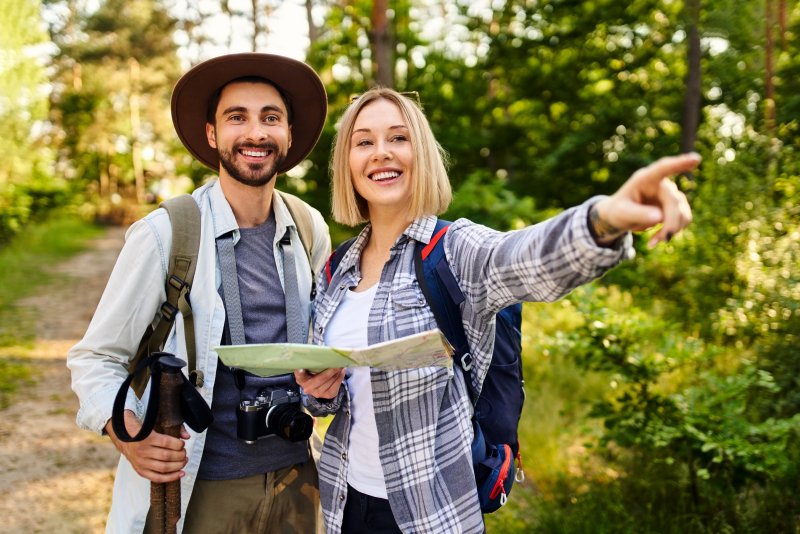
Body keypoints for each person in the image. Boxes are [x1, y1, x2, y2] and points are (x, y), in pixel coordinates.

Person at [295, 87, 699, 533]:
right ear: (347, 163)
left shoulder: (455, 249)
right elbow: (327, 400)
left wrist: (603, 220)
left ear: (422, 153)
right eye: (364, 142)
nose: (381, 153)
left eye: (399, 138)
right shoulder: (337, 266)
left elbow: (524, 256)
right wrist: (319, 391)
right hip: (343, 502)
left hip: (432, 513)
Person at [67, 53, 331, 533]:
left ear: (288, 134)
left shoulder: (309, 228)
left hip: (298, 479)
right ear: (212, 134)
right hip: (202, 488)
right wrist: (128, 435)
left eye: (270, 117)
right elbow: (95, 357)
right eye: (237, 117)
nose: (255, 133)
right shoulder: (168, 233)